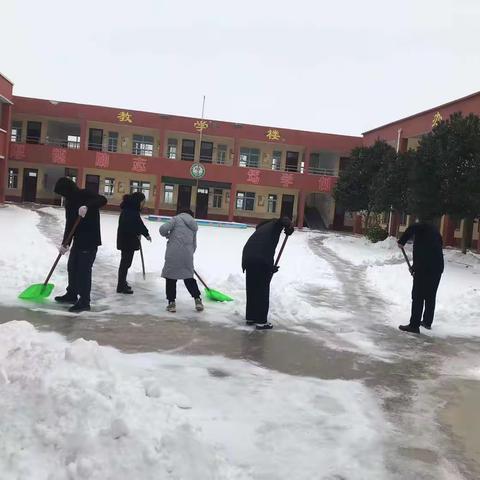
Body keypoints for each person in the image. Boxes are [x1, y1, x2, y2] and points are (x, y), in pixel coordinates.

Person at [53, 177, 107, 313]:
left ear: (68, 189)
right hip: (78, 240)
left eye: (63, 192)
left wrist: (87, 206)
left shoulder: (85, 194)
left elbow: (102, 200)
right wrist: (65, 243)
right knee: (72, 267)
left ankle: (84, 302)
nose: (63, 196)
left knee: (83, 271)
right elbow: (69, 224)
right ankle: (71, 294)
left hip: (89, 240)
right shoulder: (69, 201)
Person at [242, 217, 294, 330]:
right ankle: (261, 321)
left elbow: (263, 248)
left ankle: (250, 317)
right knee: (262, 290)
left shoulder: (261, 230)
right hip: (260, 259)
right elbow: (283, 220)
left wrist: (270, 267)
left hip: (248, 259)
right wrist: (289, 226)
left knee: (252, 288)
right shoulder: (274, 224)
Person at [397, 219, 444, 334]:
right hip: (437, 268)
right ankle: (427, 322)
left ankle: (414, 325)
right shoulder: (434, 232)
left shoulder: (420, 228)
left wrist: (402, 241)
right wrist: (414, 268)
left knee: (418, 296)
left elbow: (422, 253)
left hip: (425, 269)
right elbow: (428, 252)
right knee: (430, 295)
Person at [159, 209, 203, 313]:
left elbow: (162, 229)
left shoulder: (176, 219)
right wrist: (188, 254)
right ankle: (197, 300)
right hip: (187, 254)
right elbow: (194, 243)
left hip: (173, 253)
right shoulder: (193, 224)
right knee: (188, 278)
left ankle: (171, 303)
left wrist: (168, 235)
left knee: (171, 278)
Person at [116, 192, 151, 294]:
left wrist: (145, 233)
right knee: (125, 263)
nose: (143, 204)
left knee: (125, 263)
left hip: (127, 240)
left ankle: (122, 283)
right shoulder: (130, 211)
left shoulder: (130, 210)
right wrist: (139, 233)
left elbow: (138, 224)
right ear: (138, 201)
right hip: (127, 241)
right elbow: (132, 226)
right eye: (143, 202)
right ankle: (121, 285)